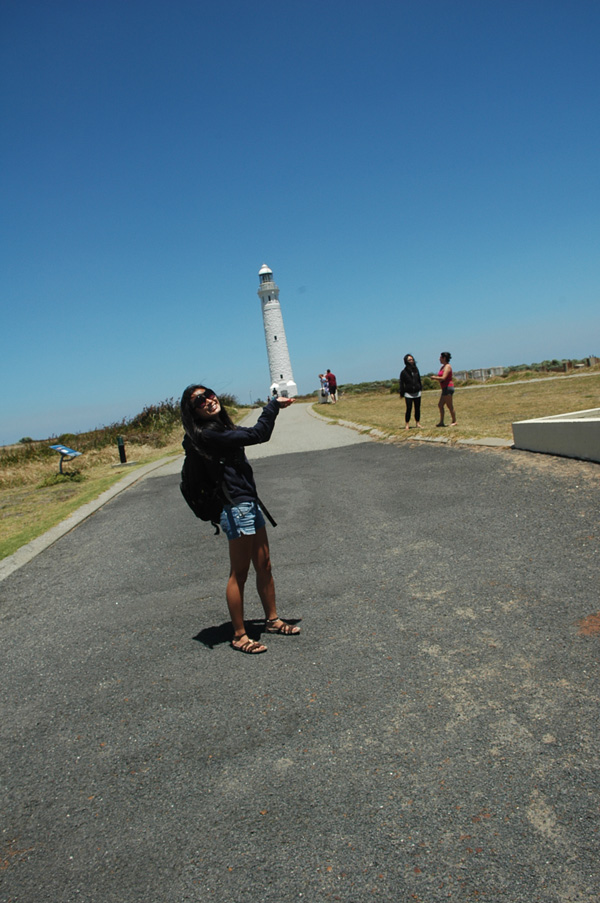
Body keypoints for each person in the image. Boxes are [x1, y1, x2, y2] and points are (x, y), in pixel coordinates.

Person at [180, 384, 300, 654]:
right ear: (193, 412)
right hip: (236, 508)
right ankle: (239, 635)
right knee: (240, 573)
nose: (208, 400)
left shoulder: (221, 428)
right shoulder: (208, 433)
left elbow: (252, 433)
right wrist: (273, 406)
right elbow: (259, 434)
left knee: (264, 565)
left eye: (209, 394)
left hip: (249, 503)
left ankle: (272, 620)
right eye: (199, 401)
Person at [431, 352, 457, 426]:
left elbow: (443, 378)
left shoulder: (447, 367)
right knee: (440, 405)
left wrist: (434, 378)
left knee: (449, 405)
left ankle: (454, 421)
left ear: (444, 358)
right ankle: (441, 422)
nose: (439, 359)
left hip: (448, 387)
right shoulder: (443, 367)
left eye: (440, 357)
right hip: (444, 388)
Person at [399, 354, 422, 429]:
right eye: (409, 360)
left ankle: (418, 423)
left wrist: (420, 388)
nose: (411, 361)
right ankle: (407, 424)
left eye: (412, 359)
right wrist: (401, 393)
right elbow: (401, 383)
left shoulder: (416, 370)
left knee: (417, 408)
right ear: (406, 361)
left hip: (417, 392)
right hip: (408, 393)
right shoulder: (403, 372)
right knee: (409, 408)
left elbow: (419, 379)